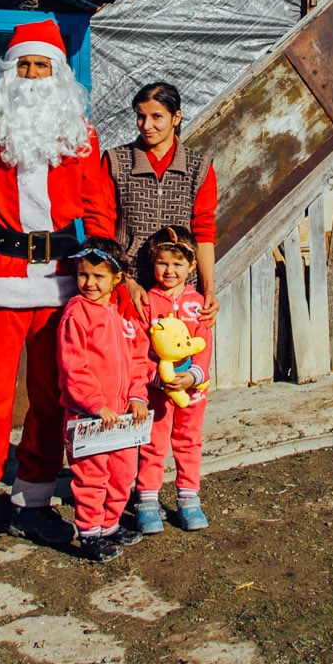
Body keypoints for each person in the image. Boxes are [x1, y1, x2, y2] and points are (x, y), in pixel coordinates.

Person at [0, 19, 113, 565]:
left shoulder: (79, 133)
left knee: (50, 400)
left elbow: (101, 209)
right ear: (8, 71)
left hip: (63, 282)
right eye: (25, 64)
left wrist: (105, 270)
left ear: (59, 74)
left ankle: (33, 501)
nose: (33, 76)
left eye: (42, 66)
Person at [57, 243, 153, 562]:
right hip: (89, 417)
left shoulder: (124, 318)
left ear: (117, 279)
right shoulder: (76, 313)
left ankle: (109, 525)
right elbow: (74, 365)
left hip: (123, 418)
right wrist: (95, 404)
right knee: (91, 477)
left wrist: (137, 397)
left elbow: (138, 361)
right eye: (83, 274)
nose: (90, 283)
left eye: (99, 275)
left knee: (122, 474)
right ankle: (89, 533)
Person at [97, 81, 220, 314]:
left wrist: (209, 289)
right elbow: (102, 227)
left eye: (156, 117)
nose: (146, 126)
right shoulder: (116, 162)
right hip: (129, 285)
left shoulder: (198, 168)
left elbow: (203, 231)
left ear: (176, 117)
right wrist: (124, 282)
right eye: (141, 117)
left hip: (180, 290)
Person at [132, 225, 213, 533]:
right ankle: (148, 500)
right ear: (153, 263)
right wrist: (154, 378)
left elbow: (203, 344)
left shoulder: (198, 304)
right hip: (157, 391)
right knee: (153, 443)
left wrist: (193, 376)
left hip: (193, 391)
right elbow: (139, 347)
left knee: (188, 441)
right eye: (163, 262)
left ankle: (188, 497)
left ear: (191, 266)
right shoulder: (147, 303)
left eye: (178, 264)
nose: (169, 270)